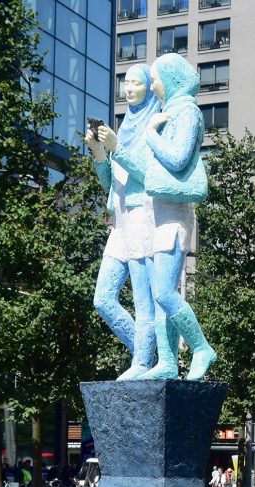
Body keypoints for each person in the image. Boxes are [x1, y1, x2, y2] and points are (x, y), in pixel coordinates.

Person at [102, 53, 214, 381]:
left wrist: (150, 134)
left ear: (173, 79)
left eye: (154, 78)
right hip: (157, 217)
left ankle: (201, 347)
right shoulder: (169, 112)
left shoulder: (186, 113)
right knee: (156, 296)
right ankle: (165, 360)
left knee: (164, 292)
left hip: (172, 218)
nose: (152, 85)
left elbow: (177, 160)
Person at [86, 64, 162, 380]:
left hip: (143, 218)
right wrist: (99, 152)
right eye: (125, 83)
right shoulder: (125, 125)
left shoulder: (156, 124)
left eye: (135, 83)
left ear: (148, 88)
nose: (128, 89)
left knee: (145, 302)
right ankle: (147, 352)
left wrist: (117, 148)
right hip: (120, 222)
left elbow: (150, 176)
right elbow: (110, 183)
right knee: (103, 299)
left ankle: (145, 360)